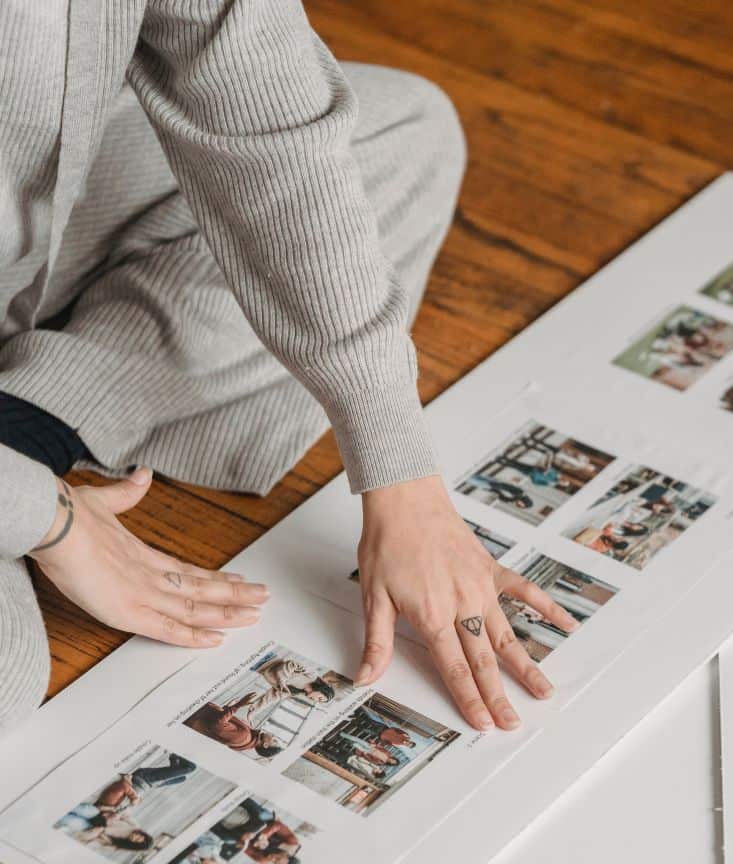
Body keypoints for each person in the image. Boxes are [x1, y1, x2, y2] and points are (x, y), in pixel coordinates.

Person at [0, 2, 577, 741]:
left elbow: (265, 121)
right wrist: (47, 518)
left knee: (402, 130)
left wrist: (402, 477)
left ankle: (30, 418)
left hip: (36, 229)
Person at [185, 698, 282, 757]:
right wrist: (228, 707)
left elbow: (218, 724)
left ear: (265, 745)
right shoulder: (249, 737)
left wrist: (239, 705)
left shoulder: (244, 737)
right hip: (197, 713)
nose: (273, 735)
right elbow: (222, 723)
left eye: (274, 740)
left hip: (193, 713)